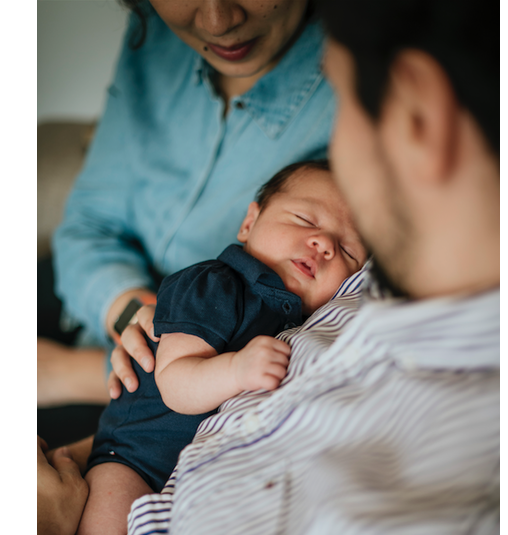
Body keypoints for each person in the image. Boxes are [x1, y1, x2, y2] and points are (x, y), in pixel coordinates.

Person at [37, 1, 500, 535]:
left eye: (339, 108)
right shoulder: (392, 277)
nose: (218, 17)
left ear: (418, 114)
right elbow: (91, 232)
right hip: (125, 410)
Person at [63, 160, 366, 535]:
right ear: (249, 223)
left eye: (347, 249)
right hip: (136, 455)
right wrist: (237, 370)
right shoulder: (215, 285)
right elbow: (175, 381)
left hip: (192, 471)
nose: (324, 244)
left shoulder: (302, 322)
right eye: (304, 218)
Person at [38, 0, 337, 410]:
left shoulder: (363, 86)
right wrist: (146, 324)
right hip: (111, 315)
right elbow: (88, 225)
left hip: (191, 389)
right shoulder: (154, 37)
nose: (217, 22)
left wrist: (77, 372)